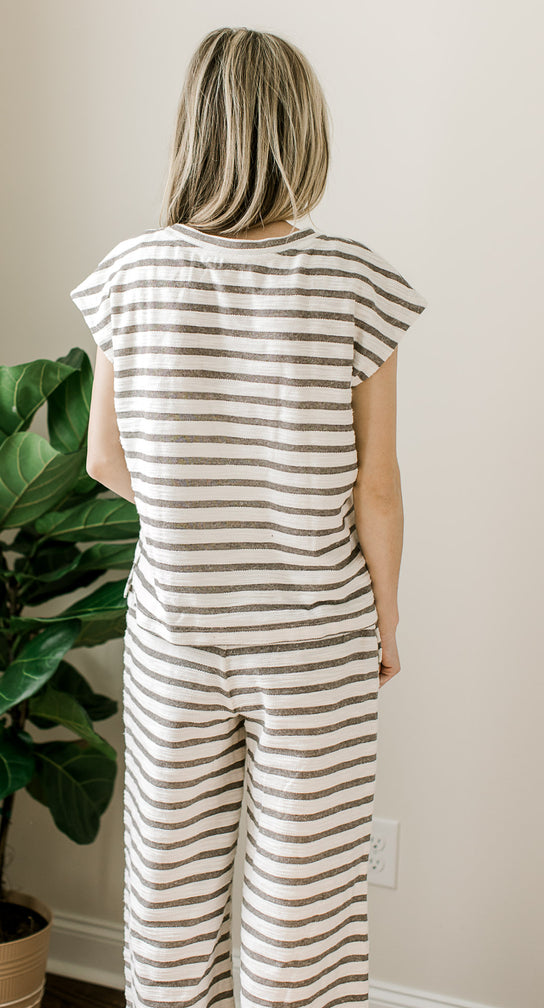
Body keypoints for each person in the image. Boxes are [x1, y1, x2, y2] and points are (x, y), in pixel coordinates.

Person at [70, 25, 427, 1008]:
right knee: (300, 914)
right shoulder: (357, 281)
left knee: (169, 907)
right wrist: (384, 621)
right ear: (303, 135)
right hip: (315, 641)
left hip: (179, 638)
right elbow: (379, 487)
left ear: (192, 133)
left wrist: (191, 505)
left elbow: (104, 457)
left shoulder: (130, 275)